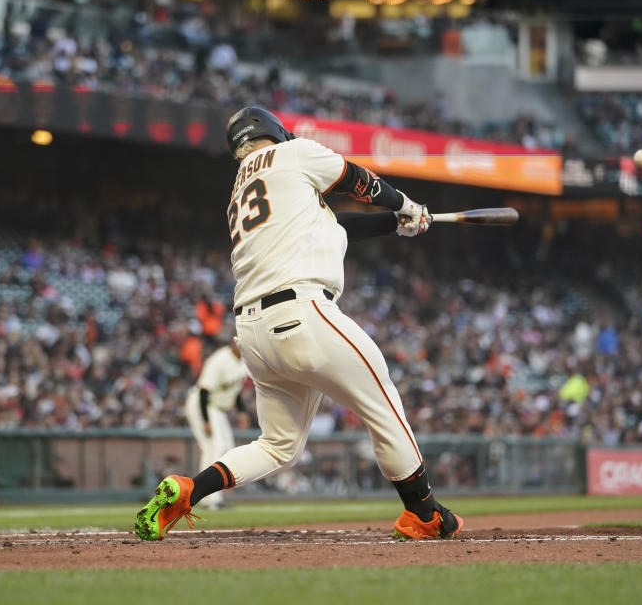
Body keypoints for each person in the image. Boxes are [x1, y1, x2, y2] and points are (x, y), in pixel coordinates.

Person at [136, 106, 463, 541]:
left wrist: (395, 222)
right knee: (383, 404)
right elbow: (355, 179)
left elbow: (331, 226)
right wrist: (405, 204)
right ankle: (424, 513)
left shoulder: (240, 190)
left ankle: (190, 490)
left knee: (277, 446)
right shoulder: (293, 155)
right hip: (303, 312)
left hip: (253, 333)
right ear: (276, 131)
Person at [183, 336, 250, 509]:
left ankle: (211, 496)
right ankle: (208, 498)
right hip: (202, 405)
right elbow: (204, 391)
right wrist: (206, 421)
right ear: (233, 342)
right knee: (214, 448)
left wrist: (241, 411)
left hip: (218, 409)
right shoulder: (219, 360)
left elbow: (235, 391)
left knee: (225, 447)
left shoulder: (244, 360)